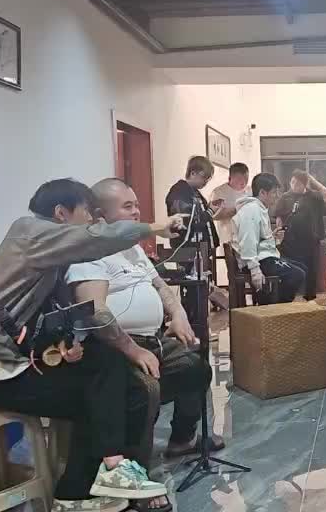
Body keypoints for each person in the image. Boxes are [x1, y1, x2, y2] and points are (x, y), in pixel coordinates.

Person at [0, 179, 184, 512]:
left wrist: (66, 346)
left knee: (118, 385)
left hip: (13, 365)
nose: (91, 222)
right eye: (87, 214)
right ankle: (113, 468)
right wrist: (156, 227)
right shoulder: (29, 233)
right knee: (106, 369)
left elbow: (50, 320)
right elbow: (96, 239)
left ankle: (77, 493)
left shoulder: (47, 257)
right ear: (61, 213)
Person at [65, 179, 225, 511]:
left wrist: (178, 314)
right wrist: (134, 349)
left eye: (136, 204)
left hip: (154, 340)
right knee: (145, 390)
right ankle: (136, 476)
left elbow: (160, 285)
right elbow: (95, 312)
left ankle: (182, 438)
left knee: (197, 366)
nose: (137, 211)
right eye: (128, 207)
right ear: (101, 215)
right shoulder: (88, 255)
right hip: (115, 348)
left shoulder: (133, 248)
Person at [231, 173, 306, 304]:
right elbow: (248, 241)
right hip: (257, 261)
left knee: (302, 268)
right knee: (297, 274)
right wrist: (255, 270)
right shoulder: (251, 210)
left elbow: (260, 240)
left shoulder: (259, 208)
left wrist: (274, 238)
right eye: (274, 192)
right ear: (262, 192)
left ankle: (271, 303)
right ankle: (274, 308)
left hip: (264, 257)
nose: (277, 196)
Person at [274, 170, 326, 301]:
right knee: (292, 270)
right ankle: (290, 298)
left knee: (311, 271)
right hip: (290, 241)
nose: (294, 185)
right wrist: (279, 235)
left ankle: (310, 298)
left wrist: (313, 181)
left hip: (311, 239)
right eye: (292, 182)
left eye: (298, 183)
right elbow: (279, 217)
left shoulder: (314, 196)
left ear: (305, 184)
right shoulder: (285, 197)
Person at [165, 156, 219, 251]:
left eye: (208, 178)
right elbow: (188, 222)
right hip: (187, 249)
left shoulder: (195, 192)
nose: (206, 181)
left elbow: (198, 216)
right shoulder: (180, 192)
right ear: (193, 173)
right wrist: (210, 211)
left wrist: (208, 208)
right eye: (204, 177)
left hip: (200, 248)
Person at [210, 162, 251, 244]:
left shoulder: (250, 190)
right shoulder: (219, 192)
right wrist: (237, 209)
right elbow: (214, 216)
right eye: (239, 179)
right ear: (230, 178)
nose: (243, 183)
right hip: (228, 238)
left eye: (246, 179)